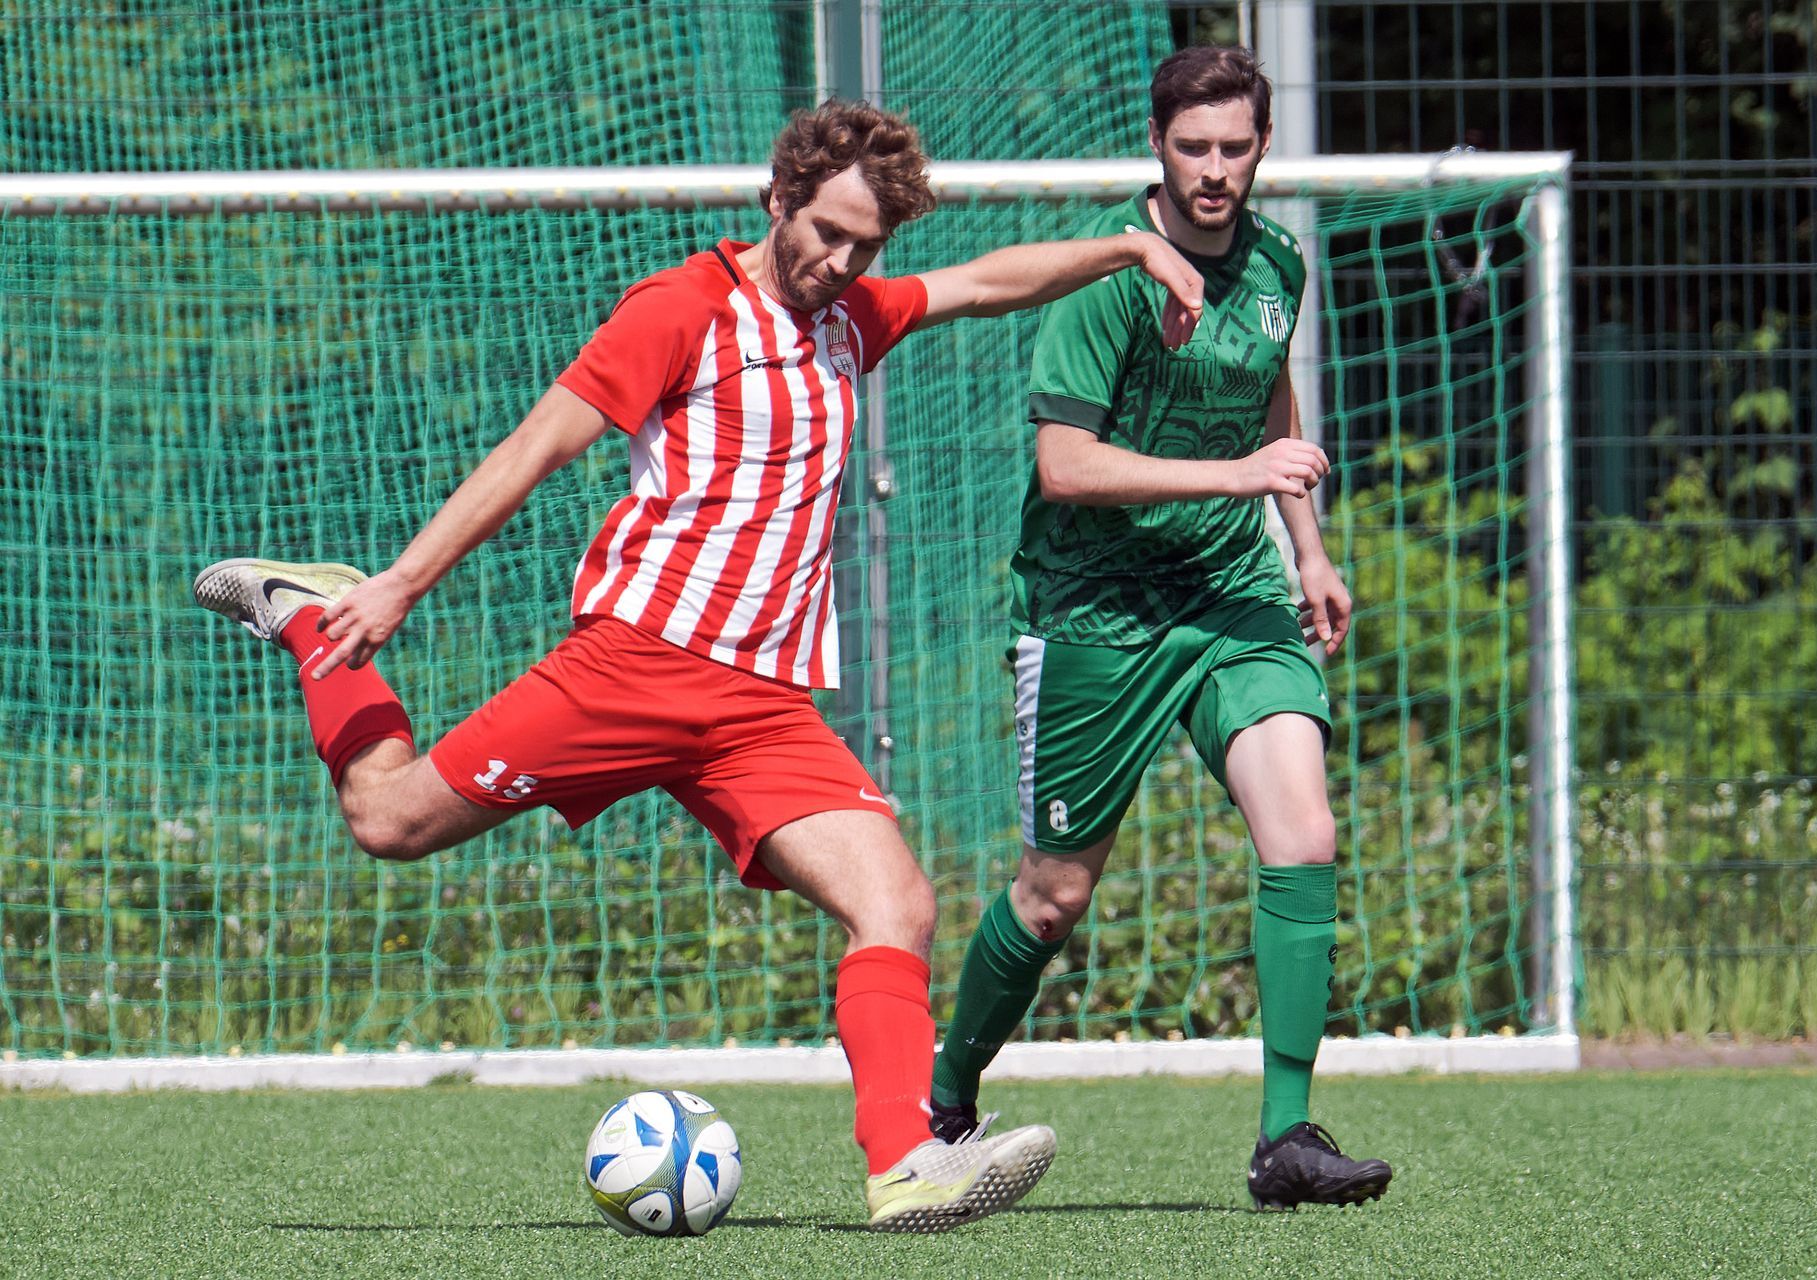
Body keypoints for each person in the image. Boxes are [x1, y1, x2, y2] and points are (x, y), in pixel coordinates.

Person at [192, 99, 1204, 1234]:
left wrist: (1128, 248)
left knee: (898, 902)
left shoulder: (850, 318)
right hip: (634, 668)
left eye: (867, 245)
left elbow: (980, 283)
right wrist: (399, 583)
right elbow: (535, 447)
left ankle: (907, 1163)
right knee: (386, 819)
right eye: (827, 232)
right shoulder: (683, 307)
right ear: (778, 199)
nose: (843, 261)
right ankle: (311, 619)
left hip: (762, 707)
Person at [926, 47, 1394, 1210]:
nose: (1215, 169)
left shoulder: (1279, 262)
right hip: (1097, 607)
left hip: (1231, 591)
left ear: (1264, 145)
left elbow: (1269, 393)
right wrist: (1240, 476)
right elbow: (1066, 466)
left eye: (1236, 146)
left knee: (1304, 829)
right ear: (1156, 143)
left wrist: (1308, 548)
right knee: (1054, 895)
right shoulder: (1110, 279)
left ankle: (1287, 1136)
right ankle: (943, 1101)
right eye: (1194, 147)